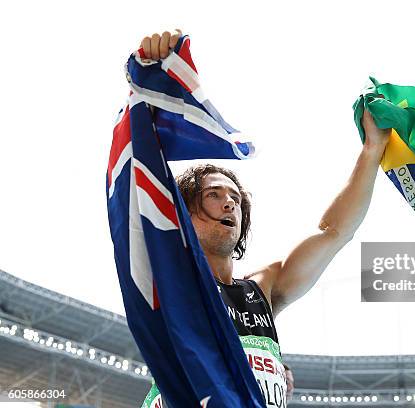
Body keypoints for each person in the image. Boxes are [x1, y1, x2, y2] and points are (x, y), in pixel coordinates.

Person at [138, 29, 390, 408]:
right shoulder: (169, 278)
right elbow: (142, 168)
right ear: (184, 214)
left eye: (235, 199)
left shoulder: (263, 287)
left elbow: (335, 232)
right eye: (214, 194)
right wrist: (153, 76)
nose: (229, 205)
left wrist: (372, 151)